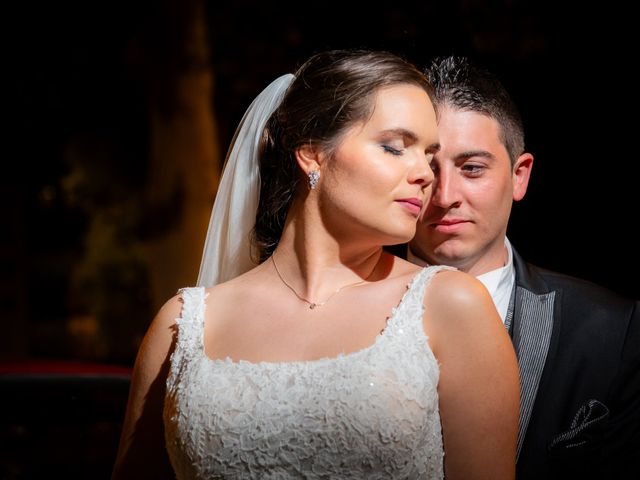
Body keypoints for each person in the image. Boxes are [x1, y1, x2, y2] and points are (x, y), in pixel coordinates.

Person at [112, 49, 519, 480]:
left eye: (428, 154)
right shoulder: (183, 326)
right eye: (396, 148)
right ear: (312, 154)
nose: (426, 175)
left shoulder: (450, 306)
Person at [408, 55, 640, 480]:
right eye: (426, 169)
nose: (445, 196)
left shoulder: (612, 329)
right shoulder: (339, 310)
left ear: (520, 176)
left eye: (472, 169)